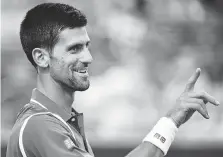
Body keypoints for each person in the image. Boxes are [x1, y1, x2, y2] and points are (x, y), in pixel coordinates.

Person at [6, 3, 220, 157]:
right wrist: (170, 122)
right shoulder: (39, 125)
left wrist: (170, 121)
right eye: (74, 49)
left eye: (86, 46)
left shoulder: (61, 121)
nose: (88, 58)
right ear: (41, 57)